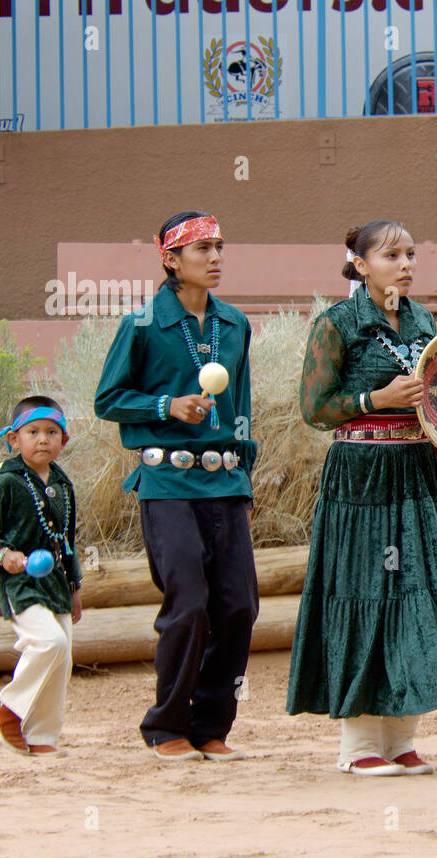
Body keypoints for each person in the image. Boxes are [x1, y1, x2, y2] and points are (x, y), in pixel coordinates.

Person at [288, 220, 437, 776]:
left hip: (419, 470)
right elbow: (315, 409)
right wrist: (375, 396)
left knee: (418, 590)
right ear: (361, 265)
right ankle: (359, 745)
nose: (406, 263)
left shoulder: (424, 322)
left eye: (411, 253)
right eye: (392, 254)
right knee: (364, 592)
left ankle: (401, 734)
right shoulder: (337, 324)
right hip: (361, 476)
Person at [94, 210, 259, 763]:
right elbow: (107, 400)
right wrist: (167, 405)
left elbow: (243, 410)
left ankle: (211, 725)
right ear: (170, 259)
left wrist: (246, 476)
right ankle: (167, 727)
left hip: (226, 482)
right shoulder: (141, 325)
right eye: (201, 248)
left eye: (220, 246)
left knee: (238, 607)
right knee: (188, 602)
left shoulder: (234, 324)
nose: (215, 258)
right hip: (165, 481)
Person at [0, 396, 83, 756]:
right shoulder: (6, 483)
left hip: (57, 585)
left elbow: (68, 541)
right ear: (13, 439)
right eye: (32, 431)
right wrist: (5, 555)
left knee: (62, 656)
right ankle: (9, 706)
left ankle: (42, 737)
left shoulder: (64, 487)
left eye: (52, 432)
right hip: (19, 583)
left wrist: (75, 587)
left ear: (63, 441)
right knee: (49, 642)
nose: (42, 439)